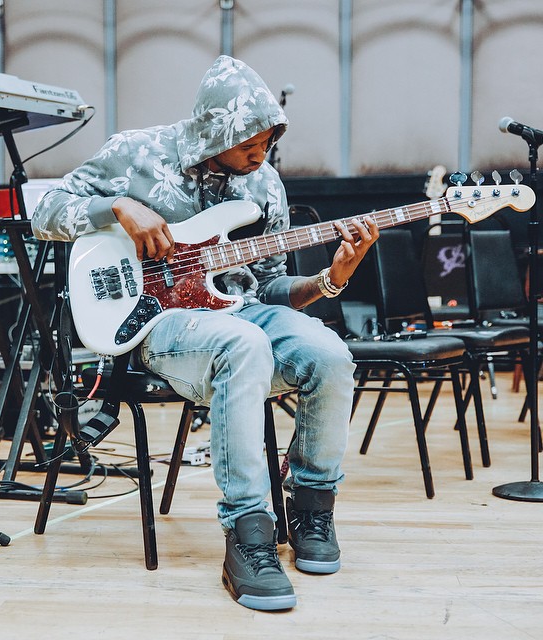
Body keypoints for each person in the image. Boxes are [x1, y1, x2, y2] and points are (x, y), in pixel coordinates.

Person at [31, 55, 379, 611]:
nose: (259, 154)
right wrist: (117, 207)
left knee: (328, 353)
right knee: (243, 345)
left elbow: (265, 289)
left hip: (237, 313)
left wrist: (328, 280)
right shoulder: (136, 153)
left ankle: (312, 507)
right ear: (218, 127)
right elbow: (43, 210)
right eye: (249, 144)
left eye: (268, 143)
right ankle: (248, 532)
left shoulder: (264, 184)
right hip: (155, 324)